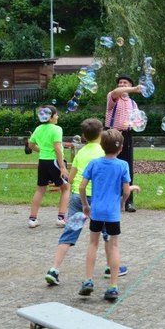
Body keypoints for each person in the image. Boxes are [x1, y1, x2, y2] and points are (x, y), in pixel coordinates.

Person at [44, 119, 128, 286]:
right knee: (107, 237)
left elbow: (72, 178)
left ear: (84, 135)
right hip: (98, 199)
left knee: (70, 233)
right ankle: (109, 268)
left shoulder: (81, 153)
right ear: (101, 133)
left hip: (78, 198)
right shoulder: (104, 152)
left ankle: (54, 269)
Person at [78, 129, 140, 301]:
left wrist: (85, 205)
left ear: (101, 145)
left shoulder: (94, 163)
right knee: (113, 247)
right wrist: (122, 203)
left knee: (93, 244)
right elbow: (126, 190)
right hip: (112, 213)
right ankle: (113, 287)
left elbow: (82, 187)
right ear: (120, 149)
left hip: (96, 211)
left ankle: (88, 281)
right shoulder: (123, 165)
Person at [27, 105, 70, 228]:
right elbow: (57, 148)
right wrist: (62, 167)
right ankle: (61, 218)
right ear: (50, 117)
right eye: (56, 114)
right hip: (55, 162)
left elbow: (30, 145)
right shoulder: (57, 129)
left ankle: (32, 219)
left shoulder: (38, 128)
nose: (57, 116)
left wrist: (41, 151)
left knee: (40, 189)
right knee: (66, 188)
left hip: (42, 162)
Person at [104, 75, 142, 212]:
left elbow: (137, 121)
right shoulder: (112, 96)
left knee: (127, 168)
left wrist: (139, 122)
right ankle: (110, 200)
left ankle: (128, 202)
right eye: (120, 83)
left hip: (127, 135)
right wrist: (134, 88)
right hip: (112, 134)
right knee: (110, 167)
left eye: (124, 83)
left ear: (129, 85)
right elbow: (115, 92)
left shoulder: (133, 103)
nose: (121, 84)